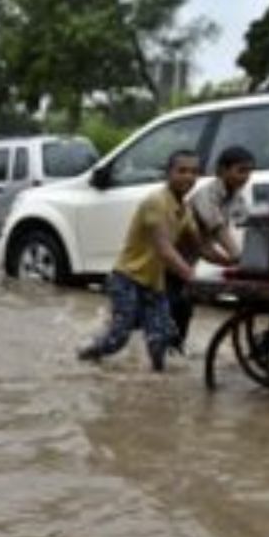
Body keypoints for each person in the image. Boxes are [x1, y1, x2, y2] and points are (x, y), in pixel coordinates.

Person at [76, 150, 204, 372]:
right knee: (118, 339)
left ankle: (157, 385)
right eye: (182, 171)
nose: (188, 177)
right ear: (168, 173)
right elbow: (164, 249)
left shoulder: (184, 209)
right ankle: (83, 356)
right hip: (127, 278)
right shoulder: (156, 202)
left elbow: (199, 245)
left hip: (154, 283)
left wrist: (233, 261)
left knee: (160, 339)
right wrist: (191, 276)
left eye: (194, 172)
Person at [168, 145, 256, 350]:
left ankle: (173, 352)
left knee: (183, 309)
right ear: (222, 171)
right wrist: (237, 256)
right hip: (169, 259)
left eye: (249, 171)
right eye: (241, 170)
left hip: (188, 261)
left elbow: (250, 224)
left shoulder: (235, 197)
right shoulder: (206, 195)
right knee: (174, 307)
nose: (246, 177)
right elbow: (217, 229)